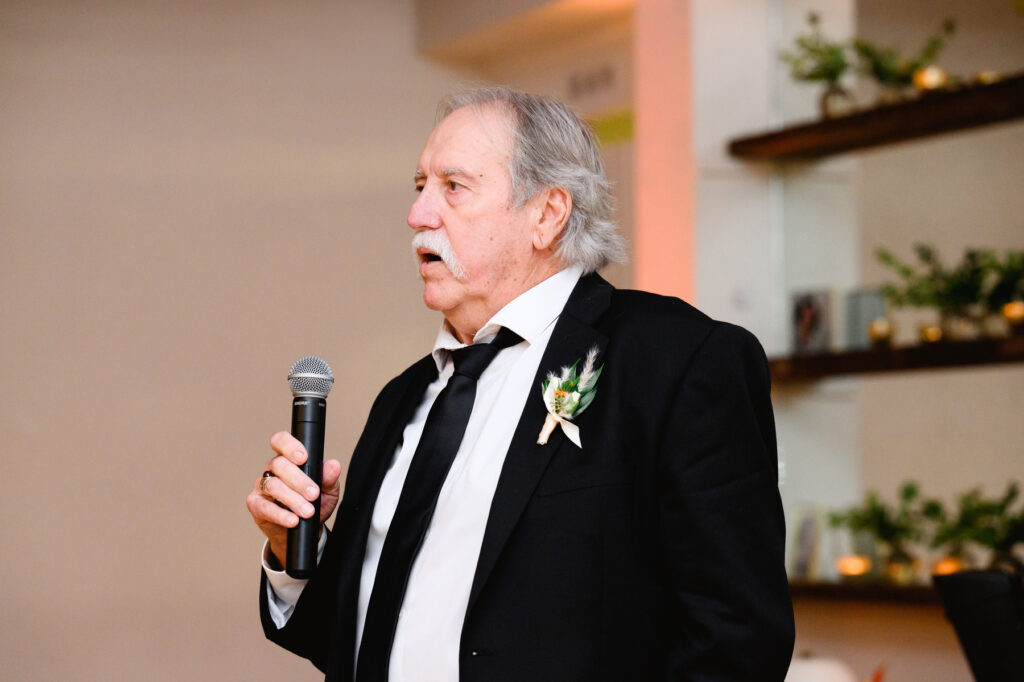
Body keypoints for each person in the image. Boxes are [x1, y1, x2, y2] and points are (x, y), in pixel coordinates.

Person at [246, 87, 794, 682]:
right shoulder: (403, 397)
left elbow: (738, 642)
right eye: (420, 186)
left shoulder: (675, 363)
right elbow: (354, 640)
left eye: (453, 187)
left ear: (547, 214)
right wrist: (292, 554)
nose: (419, 215)